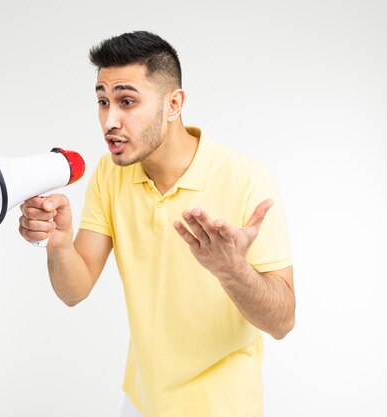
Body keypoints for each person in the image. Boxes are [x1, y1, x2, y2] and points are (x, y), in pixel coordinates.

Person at [18, 31, 295, 417]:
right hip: (140, 401)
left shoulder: (247, 178)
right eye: (102, 101)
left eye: (127, 101)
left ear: (174, 104)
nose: (109, 120)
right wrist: (59, 243)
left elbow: (282, 321)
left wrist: (231, 270)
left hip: (221, 407)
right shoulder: (109, 174)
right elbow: (73, 290)